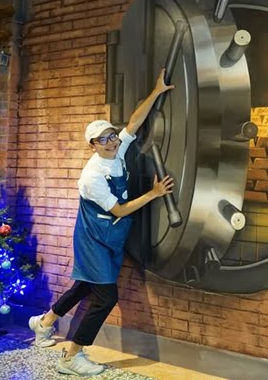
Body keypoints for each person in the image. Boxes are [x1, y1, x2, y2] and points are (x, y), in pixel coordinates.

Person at [28, 69, 175, 376]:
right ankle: (71, 357)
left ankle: (44, 322)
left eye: (112, 136)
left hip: (110, 236)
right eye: (102, 139)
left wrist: (157, 91)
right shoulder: (92, 176)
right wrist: (154, 193)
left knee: (84, 286)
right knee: (106, 297)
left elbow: (134, 122)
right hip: (93, 238)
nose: (110, 142)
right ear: (92, 145)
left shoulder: (117, 151)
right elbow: (119, 210)